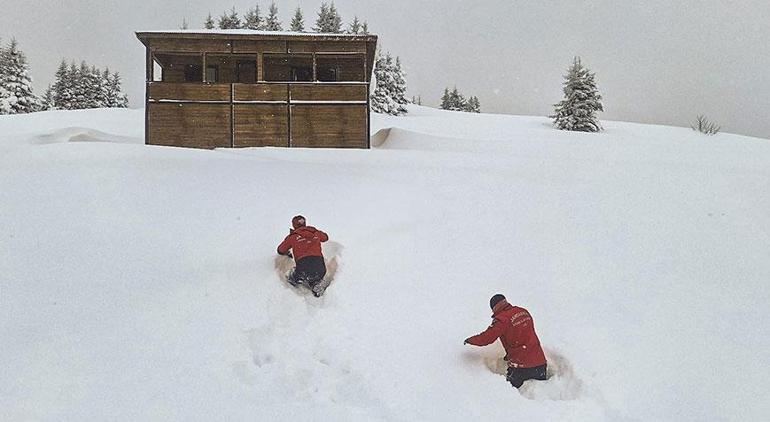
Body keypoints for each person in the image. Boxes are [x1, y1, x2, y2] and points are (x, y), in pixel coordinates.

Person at [464, 294, 547, 388]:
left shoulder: (502, 320)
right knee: (541, 394)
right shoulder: (523, 311)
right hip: (540, 363)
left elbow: (486, 338)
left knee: (510, 397)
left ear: (494, 308)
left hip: (521, 367)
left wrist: (470, 341)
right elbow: (521, 335)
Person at [277, 215, 329, 297]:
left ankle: (292, 292)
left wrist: (288, 251)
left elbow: (280, 250)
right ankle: (316, 284)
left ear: (294, 225)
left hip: (302, 268)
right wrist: (315, 233)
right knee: (314, 276)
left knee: (291, 278)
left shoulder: (293, 236)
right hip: (320, 268)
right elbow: (325, 238)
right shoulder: (315, 233)